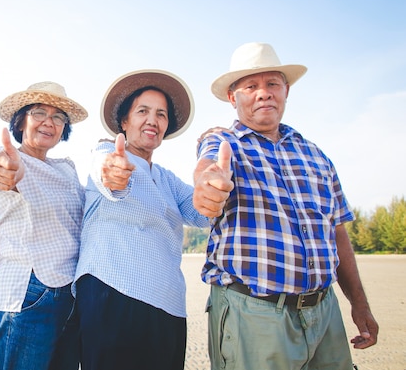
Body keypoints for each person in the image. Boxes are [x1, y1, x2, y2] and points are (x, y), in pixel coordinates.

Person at [192, 42, 379, 370]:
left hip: (325, 312)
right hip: (255, 315)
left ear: (286, 91)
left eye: (272, 84)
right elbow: (207, 170)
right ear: (233, 98)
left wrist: (359, 305)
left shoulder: (316, 155)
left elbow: (337, 232)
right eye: (251, 86)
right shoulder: (223, 143)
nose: (263, 93)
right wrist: (207, 185)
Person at [74, 70, 210, 370]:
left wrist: (213, 176)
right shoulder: (106, 153)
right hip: (114, 298)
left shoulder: (167, 179)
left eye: (161, 114)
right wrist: (114, 173)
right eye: (143, 111)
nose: (153, 120)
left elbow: (203, 213)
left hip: (169, 309)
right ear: (124, 122)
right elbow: (107, 175)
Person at [0, 81, 88, 370]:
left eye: (58, 117)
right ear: (20, 121)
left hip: (70, 295)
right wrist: (6, 168)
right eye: (39, 112)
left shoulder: (66, 169)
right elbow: (5, 168)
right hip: (28, 293)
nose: (49, 121)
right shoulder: (11, 158)